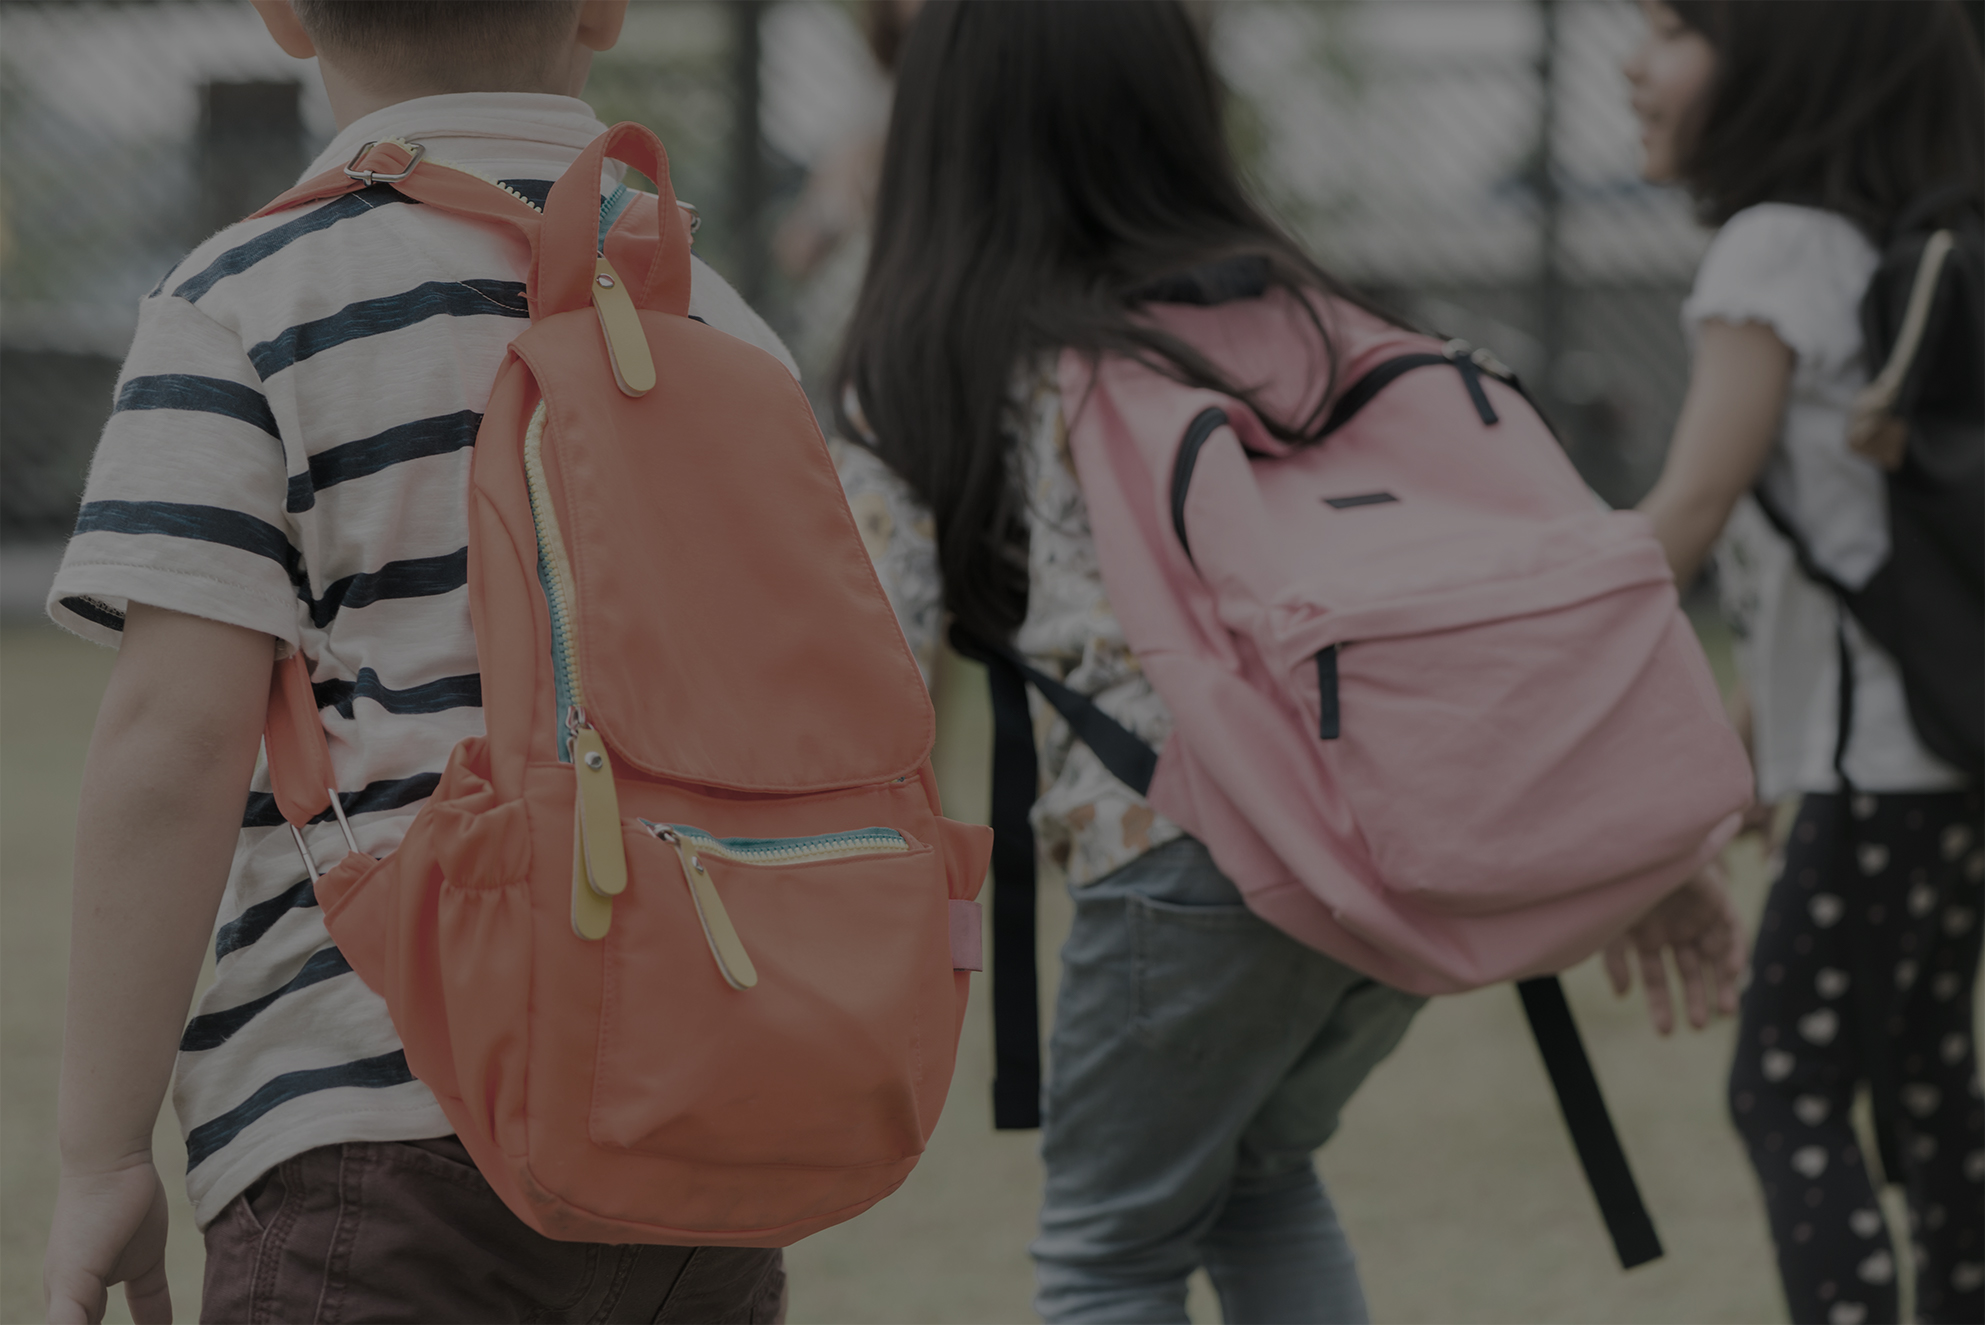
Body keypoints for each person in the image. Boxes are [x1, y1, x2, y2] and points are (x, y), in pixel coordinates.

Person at [40, 3, 795, 1321]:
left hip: (365, 1114)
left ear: (283, 14)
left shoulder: (246, 301)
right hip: (685, 1118)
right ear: (602, 9)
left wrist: (101, 1149)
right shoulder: (716, 319)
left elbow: (173, 743)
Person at [834, 5, 1428, 1320]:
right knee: (1264, 1174)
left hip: (1177, 849)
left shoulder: (936, 350)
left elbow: (868, 656)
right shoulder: (1302, 315)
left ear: (947, 130)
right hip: (1382, 832)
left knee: (1108, 1247)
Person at [1623, 2, 1984, 1321]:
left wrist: (1537, 661)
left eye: (1669, 30)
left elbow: (1691, 511)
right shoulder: (1881, 243)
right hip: (1939, 758)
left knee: (1784, 1088)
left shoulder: (1772, 248)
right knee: (1927, 1079)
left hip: (1870, 776)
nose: (1630, 64)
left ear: (1788, 57)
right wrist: (1748, 732)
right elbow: (1840, 547)